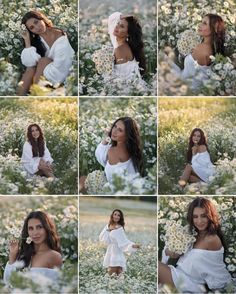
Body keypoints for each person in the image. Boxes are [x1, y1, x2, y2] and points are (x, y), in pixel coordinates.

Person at [158, 197, 232, 293]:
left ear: (210, 216)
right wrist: (171, 252)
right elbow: (171, 249)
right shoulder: (191, 233)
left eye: (203, 216)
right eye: (195, 217)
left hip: (192, 284)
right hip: (179, 274)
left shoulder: (211, 239)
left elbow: (217, 270)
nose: (199, 221)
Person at [18, 10, 74, 95]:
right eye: (32, 28)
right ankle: (22, 95)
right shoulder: (38, 41)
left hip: (62, 71)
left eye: (36, 22)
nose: (37, 28)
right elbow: (29, 63)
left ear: (42, 18)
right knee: (31, 68)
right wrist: (27, 40)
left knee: (43, 61)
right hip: (44, 72)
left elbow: (64, 62)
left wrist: (43, 64)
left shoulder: (59, 34)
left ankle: (35, 93)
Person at [4, 211, 62, 285]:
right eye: (31, 228)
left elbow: (58, 288)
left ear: (47, 229)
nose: (35, 233)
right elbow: (8, 283)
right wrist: (12, 255)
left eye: (39, 227)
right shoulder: (24, 254)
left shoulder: (54, 256)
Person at [172, 14, 225, 90]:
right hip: (197, 88)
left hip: (183, 86)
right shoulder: (214, 49)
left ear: (214, 28)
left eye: (204, 23)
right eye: (201, 22)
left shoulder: (200, 48)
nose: (199, 25)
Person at [99, 209, 140, 275]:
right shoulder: (108, 225)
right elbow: (102, 237)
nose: (116, 216)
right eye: (115, 214)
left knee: (115, 275)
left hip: (117, 253)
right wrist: (109, 229)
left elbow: (124, 241)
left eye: (118, 215)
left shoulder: (119, 228)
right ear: (112, 215)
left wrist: (133, 245)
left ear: (120, 218)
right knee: (113, 276)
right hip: (110, 251)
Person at [108, 12, 146, 80]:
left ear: (128, 34)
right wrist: (122, 16)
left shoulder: (120, 49)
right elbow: (111, 19)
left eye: (122, 26)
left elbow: (120, 80)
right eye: (118, 23)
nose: (117, 26)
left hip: (130, 89)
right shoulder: (124, 45)